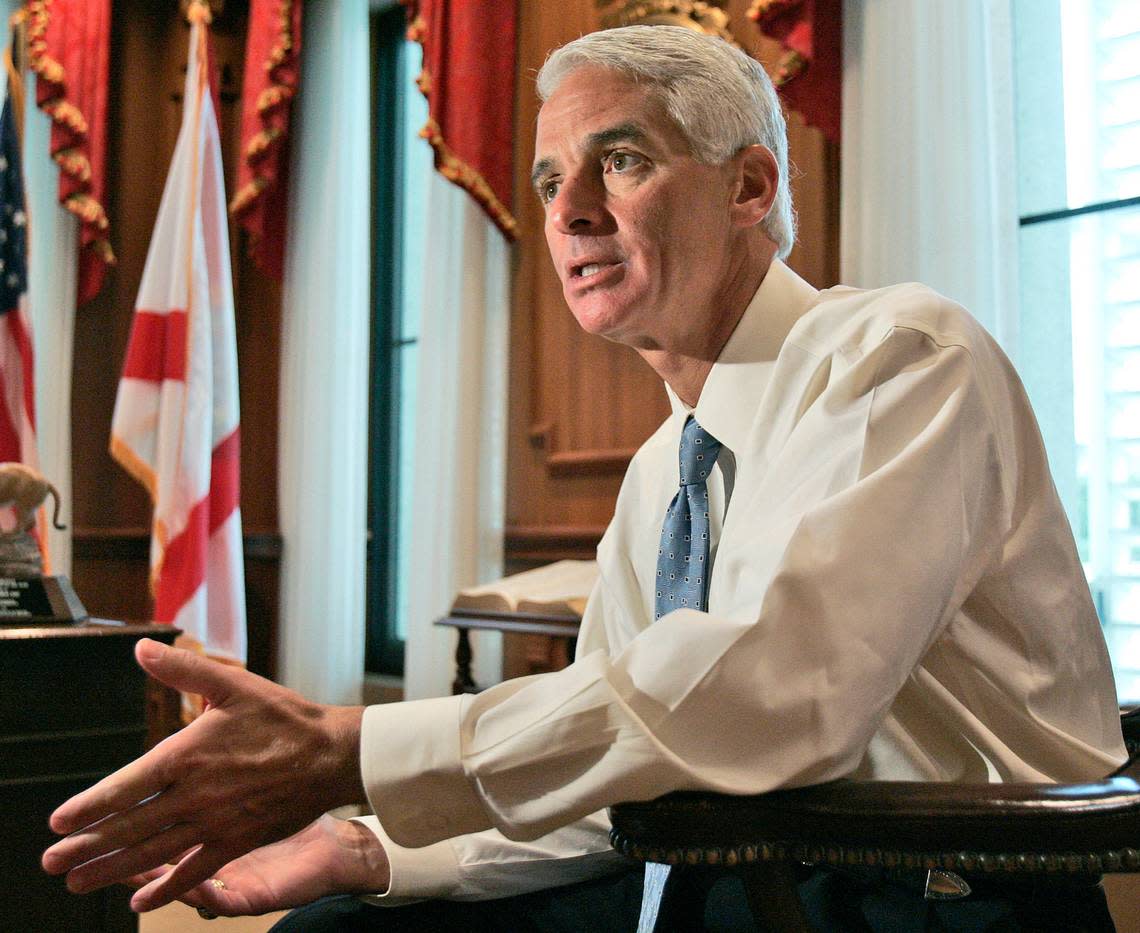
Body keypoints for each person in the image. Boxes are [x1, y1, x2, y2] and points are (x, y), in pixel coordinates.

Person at [43, 25, 1125, 931]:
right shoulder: (666, 471)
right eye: (553, 180)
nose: (568, 215)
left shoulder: (901, 358)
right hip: (727, 873)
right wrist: (364, 850)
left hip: (937, 897)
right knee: (338, 926)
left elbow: (773, 697)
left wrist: (355, 750)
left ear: (750, 184)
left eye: (624, 161)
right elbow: (620, 773)